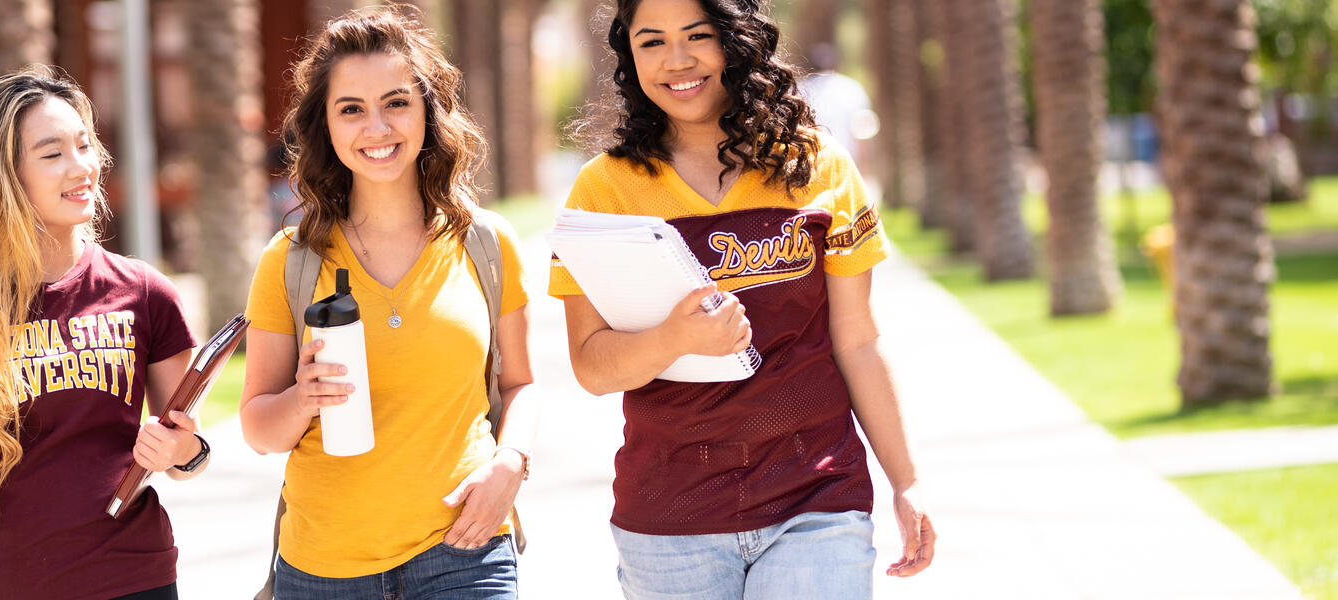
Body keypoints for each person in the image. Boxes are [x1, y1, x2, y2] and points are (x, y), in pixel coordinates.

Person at [555, 0, 937, 598]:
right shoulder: (602, 191)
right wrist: (673, 340)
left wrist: (906, 481)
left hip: (817, 498)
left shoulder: (816, 165)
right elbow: (592, 366)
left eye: (697, 36)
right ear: (629, 56)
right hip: (668, 519)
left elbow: (857, 340)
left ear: (736, 41)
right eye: (651, 41)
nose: (676, 60)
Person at [239, 7, 542, 599]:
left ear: (428, 111)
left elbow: (521, 384)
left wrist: (512, 463)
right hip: (323, 567)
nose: (376, 127)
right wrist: (304, 397)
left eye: (397, 102)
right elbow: (258, 429)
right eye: (351, 108)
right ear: (324, 126)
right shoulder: (290, 260)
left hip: (466, 551)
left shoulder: (486, 242)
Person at [0, 66, 207, 600]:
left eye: (85, 146)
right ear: (2, 177)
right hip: (15, 584)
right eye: (52, 154)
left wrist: (180, 449)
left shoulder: (145, 292)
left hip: (137, 577)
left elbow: (189, 453)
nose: (81, 167)